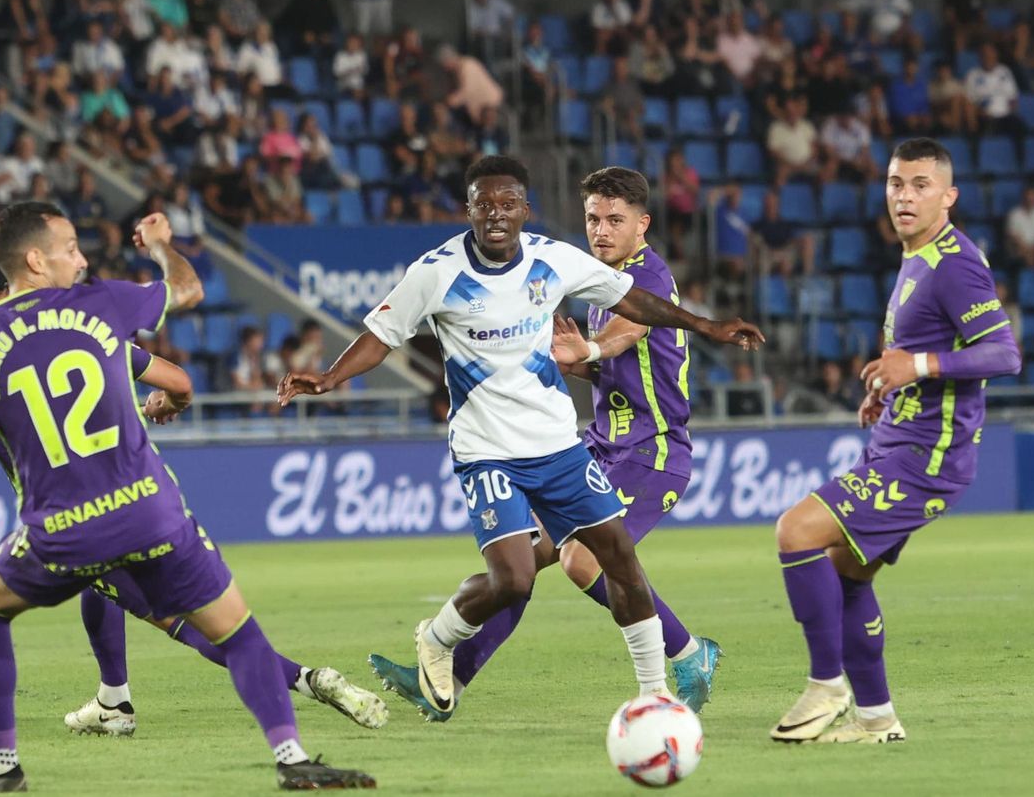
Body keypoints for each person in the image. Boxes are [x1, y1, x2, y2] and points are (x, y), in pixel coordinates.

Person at [0, 203, 373, 791]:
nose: (81, 258)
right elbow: (186, 294)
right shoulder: (98, 306)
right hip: (149, 509)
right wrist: (161, 244)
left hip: (61, 526)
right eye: (70, 247)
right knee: (234, 631)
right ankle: (291, 759)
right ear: (34, 259)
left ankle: (5, 766)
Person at [278, 156, 763, 723]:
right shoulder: (442, 272)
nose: (601, 230)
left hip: (645, 448)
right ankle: (449, 663)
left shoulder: (611, 268)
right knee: (521, 571)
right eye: (593, 218)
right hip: (558, 446)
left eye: (613, 219)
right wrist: (331, 377)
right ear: (470, 210)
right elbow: (382, 332)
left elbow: (635, 318)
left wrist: (678, 331)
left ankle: (675, 665)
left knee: (588, 559)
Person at [769, 137, 1021, 744]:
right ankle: (877, 720)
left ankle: (826, 684)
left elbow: (1004, 353)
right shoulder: (918, 255)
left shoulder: (954, 263)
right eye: (895, 184)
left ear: (948, 196)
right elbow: (921, 353)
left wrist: (920, 368)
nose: (904, 197)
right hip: (897, 436)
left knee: (796, 532)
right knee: (847, 571)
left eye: (920, 186)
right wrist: (891, 386)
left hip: (927, 457)